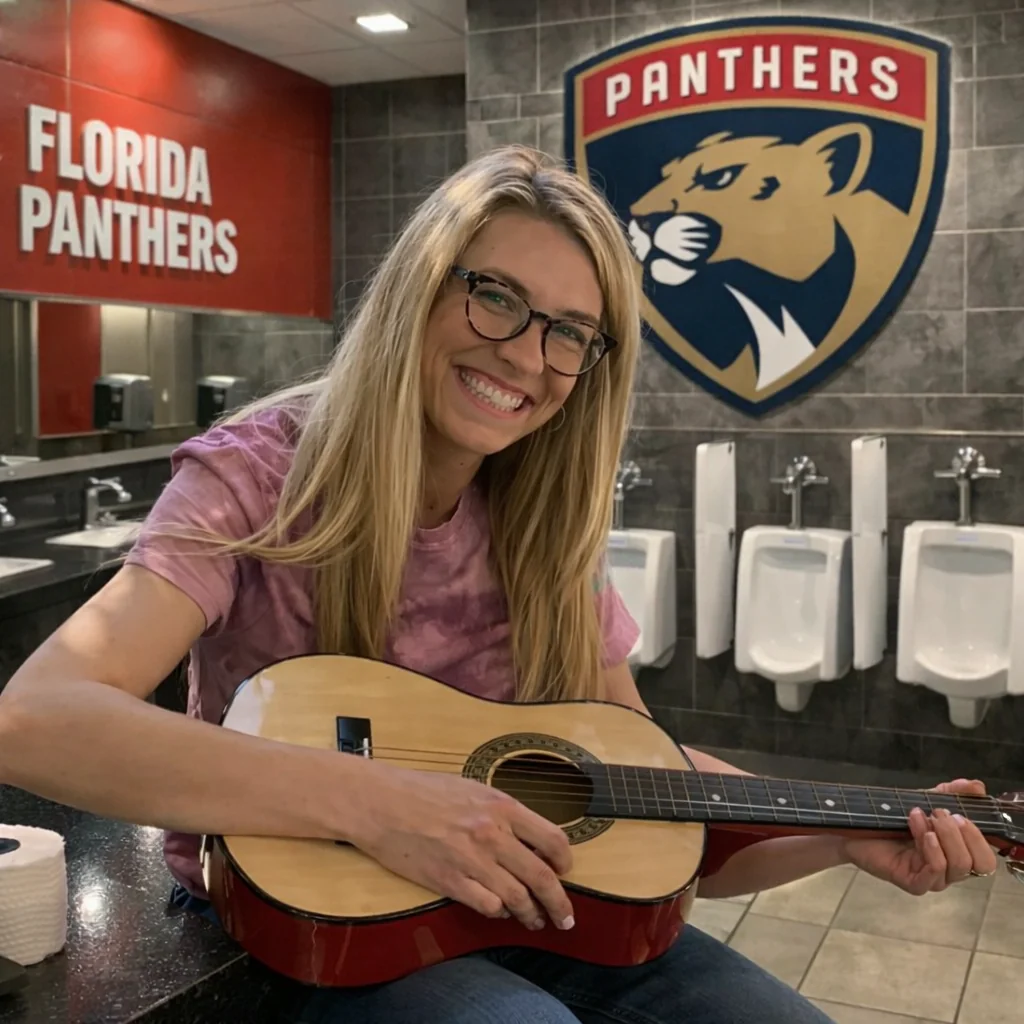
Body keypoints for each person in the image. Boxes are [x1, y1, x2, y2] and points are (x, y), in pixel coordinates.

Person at [0, 145, 998, 1024]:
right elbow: (37, 717)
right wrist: (378, 802)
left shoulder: (541, 511)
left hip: (514, 902)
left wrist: (840, 836)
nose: (526, 353)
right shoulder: (257, 472)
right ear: (421, 291)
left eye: (571, 331)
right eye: (496, 296)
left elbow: (648, 794)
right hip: (303, 915)